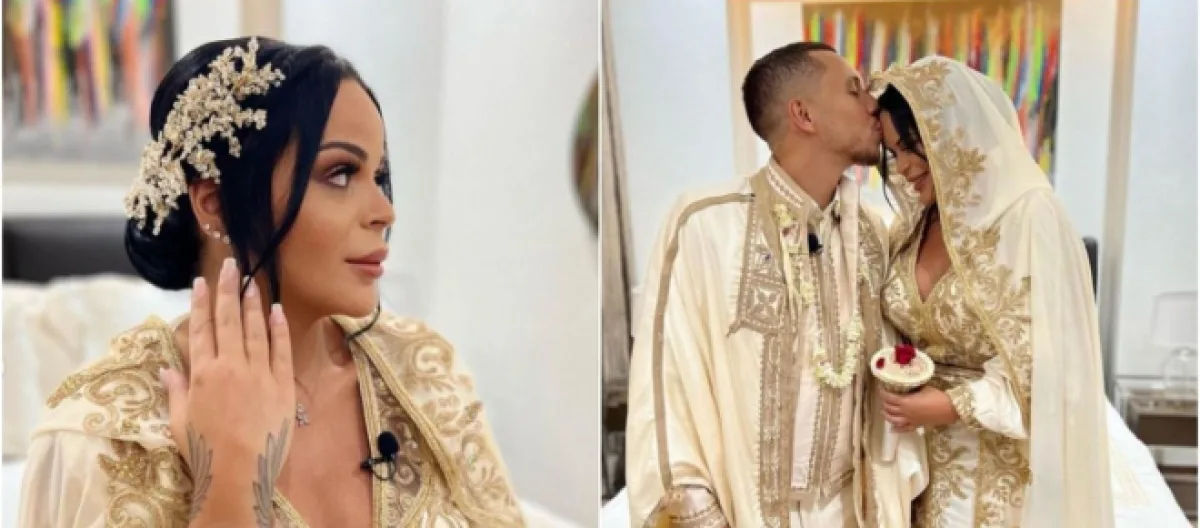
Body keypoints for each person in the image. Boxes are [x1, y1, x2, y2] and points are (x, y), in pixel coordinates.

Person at [17, 37, 525, 527]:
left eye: (379, 176)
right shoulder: (100, 436)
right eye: (340, 173)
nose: (384, 211)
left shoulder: (427, 374)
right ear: (214, 204)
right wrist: (229, 485)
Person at [625, 41, 923, 527]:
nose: (873, 104)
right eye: (854, 90)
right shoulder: (705, 224)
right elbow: (664, 386)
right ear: (804, 114)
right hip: (745, 510)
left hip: (855, 509)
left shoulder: (874, 232)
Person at [873, 56, 1113, 527]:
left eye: (910, 147)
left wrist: (950, 405)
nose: (902, 168)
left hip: (995, 461)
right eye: (893, 153)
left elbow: (1051, 360)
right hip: (915, 463)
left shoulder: (1030, 216)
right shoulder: (913, 224)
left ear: (950, 133)